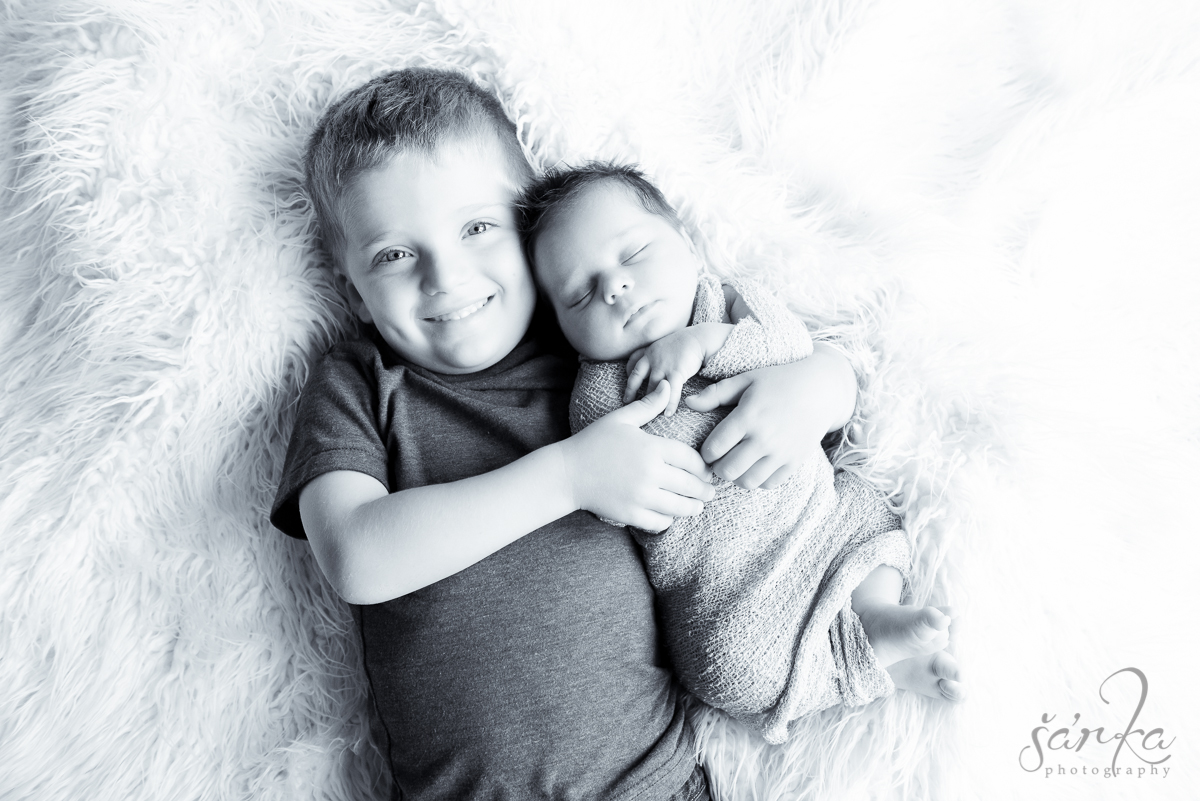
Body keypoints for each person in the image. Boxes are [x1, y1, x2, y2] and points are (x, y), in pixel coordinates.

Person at [270, 69, 862, 800]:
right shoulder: (360, 381)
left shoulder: (601, 349)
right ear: (351, 285)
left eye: (477, 228)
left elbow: (759, 372)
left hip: (654, 781)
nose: (445, 276)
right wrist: (569, 475)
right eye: (393, 254)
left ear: (527, 230)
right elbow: (358, 556)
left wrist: (821, 383)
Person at [518, 163, 965, 744]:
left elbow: (791, 345)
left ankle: (876, 619)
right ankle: (868, 662)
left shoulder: (729, 306)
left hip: (815, 517)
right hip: (727, 585)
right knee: (731, 669)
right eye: (580, 293)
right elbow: (607, 482)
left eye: (632, 255)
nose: (613, 288)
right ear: (563, 330)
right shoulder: (601, 393)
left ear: (685, 244)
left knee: (868, 514)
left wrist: (703, 342)